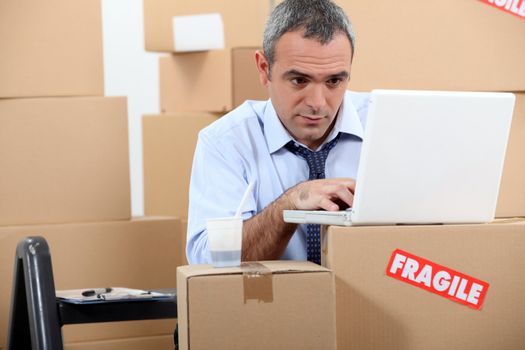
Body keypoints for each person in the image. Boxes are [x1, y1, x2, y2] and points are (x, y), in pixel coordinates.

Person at [186, 0, 370, 264]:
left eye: (334, 81)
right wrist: (290, 205)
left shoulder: (384, 126)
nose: (317, 102)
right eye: (299, 80)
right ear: (264, 69)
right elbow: (208, 263)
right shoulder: (225, 142)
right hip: (273, 304)